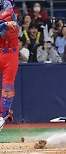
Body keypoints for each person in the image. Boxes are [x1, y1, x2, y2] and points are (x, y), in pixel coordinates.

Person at [0, 0, 19, 130]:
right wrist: (4, 23)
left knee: (8, 87)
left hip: (11, 54)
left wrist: (5, 22)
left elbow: (8, 15)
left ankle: (3, 116)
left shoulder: (11, 13)